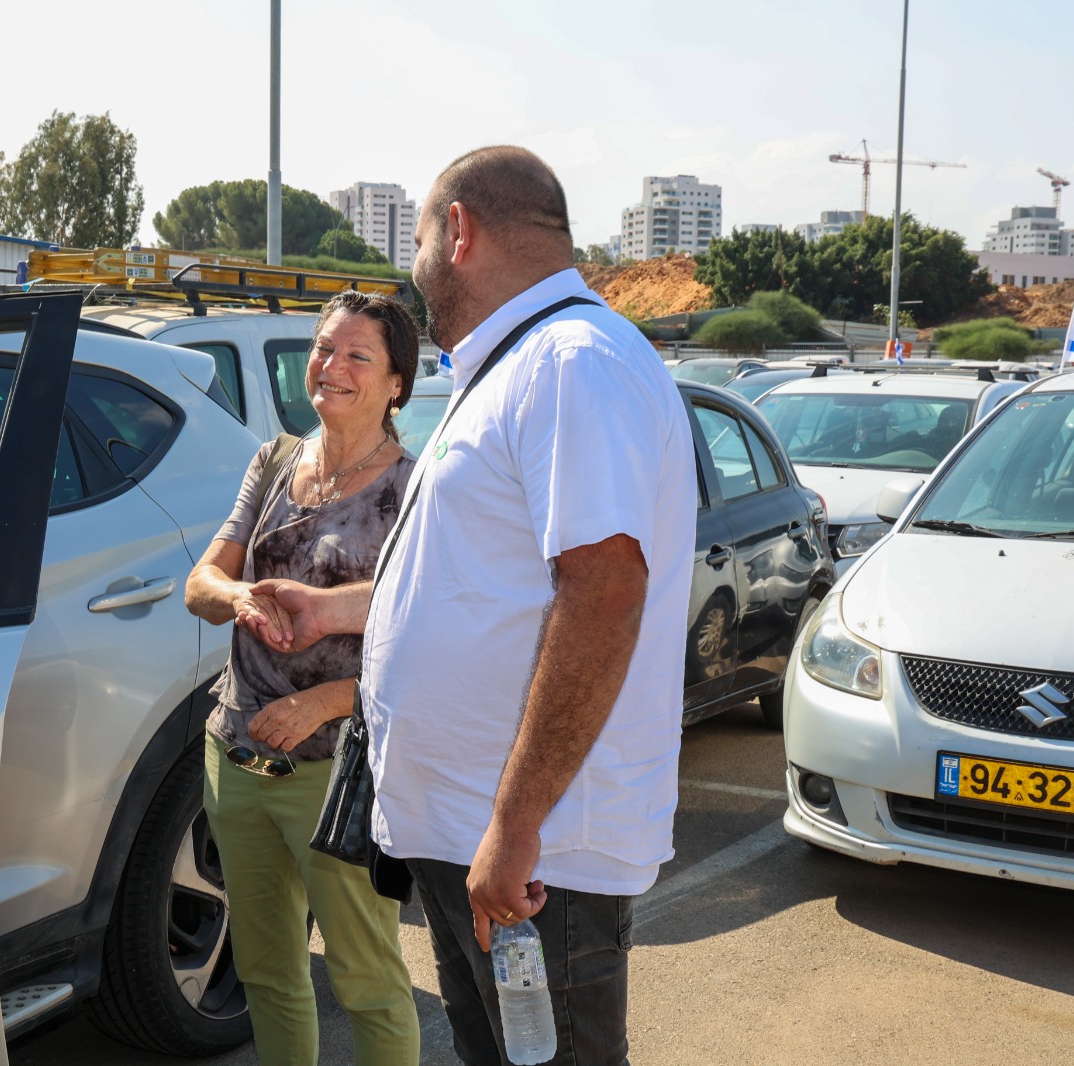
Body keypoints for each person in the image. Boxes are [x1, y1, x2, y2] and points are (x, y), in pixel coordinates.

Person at [241, 146, 696, 1065]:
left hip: (535, 860)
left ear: (458, 232)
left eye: (415, 238)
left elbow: (604, 594)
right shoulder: (519, 363)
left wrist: (518, 826)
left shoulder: (573, 363)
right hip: (475, 836)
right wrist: (338, 612)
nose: (409, 266)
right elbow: (484, 583)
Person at [184, 290, 422, 1065]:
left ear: (396, 384)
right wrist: (240, 597)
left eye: (359, 355)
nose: (333, 367)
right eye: (325, 348)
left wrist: (324, 701)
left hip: (338, 772)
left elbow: (433, 645)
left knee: (366, 979)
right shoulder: (275, 459)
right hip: (237, 754)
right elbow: (201, 584)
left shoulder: (414, 492)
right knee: (266, 972)